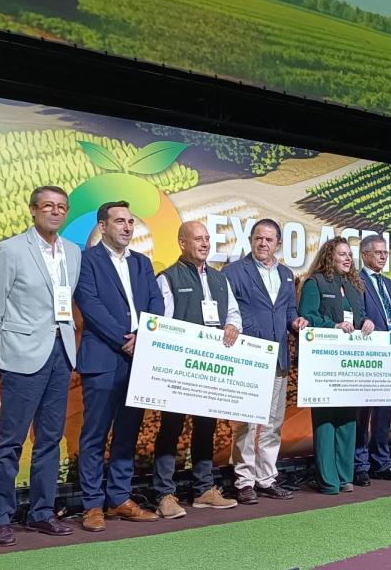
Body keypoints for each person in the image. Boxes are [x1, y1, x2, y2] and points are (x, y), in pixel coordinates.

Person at [0, 185, 81, 547]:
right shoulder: (11, 250)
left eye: (61, 207)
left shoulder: (72, 251)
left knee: (50, 440)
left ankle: (41, 512)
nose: (55, 212)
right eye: (48, 206)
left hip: (60, 354)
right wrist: (0, 354)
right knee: (10, 441)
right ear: (33, 211)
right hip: (22, 356)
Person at [73, 201, 164, 531]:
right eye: (119, 221)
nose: (127, 227)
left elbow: (157, 302)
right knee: (95, 435)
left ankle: (120, 499)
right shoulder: (86, 261)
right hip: (102, 358)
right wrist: (124, 338)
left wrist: (144, 337)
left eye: (130, 222)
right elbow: (90, 305)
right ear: (102, 226)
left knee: (127, 433)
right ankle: (92, 505)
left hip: (139, 359)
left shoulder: (142, 263)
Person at [152, 221, 241, 518]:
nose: (204, 244)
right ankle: (164, 494)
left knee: (206, 426)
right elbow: (161, 324)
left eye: (207, 239)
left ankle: (204, 490)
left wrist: (232, 326)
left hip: (211, 368)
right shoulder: (168, 278)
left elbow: (233, 315)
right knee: (171, 428)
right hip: (179, 368)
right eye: (198, 239)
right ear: (182, 243)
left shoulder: (220, 279)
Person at [225, 219, 308, 505]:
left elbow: (289, 312)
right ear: (250, 240)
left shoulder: (286, 274)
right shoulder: (234, 271)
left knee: (273, 423)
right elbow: (229, 311)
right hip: (250, 357)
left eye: (269, 240)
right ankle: (244, 480)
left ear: (278, 244)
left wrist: (296, 322)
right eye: (258, 238)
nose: (263, 243)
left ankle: (266, 478)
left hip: (279, 358)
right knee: (247, 422)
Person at [297, 236, 375, 494]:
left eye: (348, 255)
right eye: (341, 254)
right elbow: (308, 316)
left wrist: (367, 323)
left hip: (349, 364)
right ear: (329, 256)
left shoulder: (355, 285)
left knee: (347, 420)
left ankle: (345, 476)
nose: (347, 258)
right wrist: (333, 326)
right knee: (325, 422)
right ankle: (329, 481)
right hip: (323, 362)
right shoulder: (314, 282)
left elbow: (361, 315)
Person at [354, 234, 391, 486]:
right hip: (368, 355)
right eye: (378, 253)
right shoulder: (355, 280)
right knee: (363, 413)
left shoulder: (390, 284)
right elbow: (357, 314)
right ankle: (361, 465)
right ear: (365, 255)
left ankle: (382, 463)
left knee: (384, 414)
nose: (384, 256)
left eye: (385, 253)